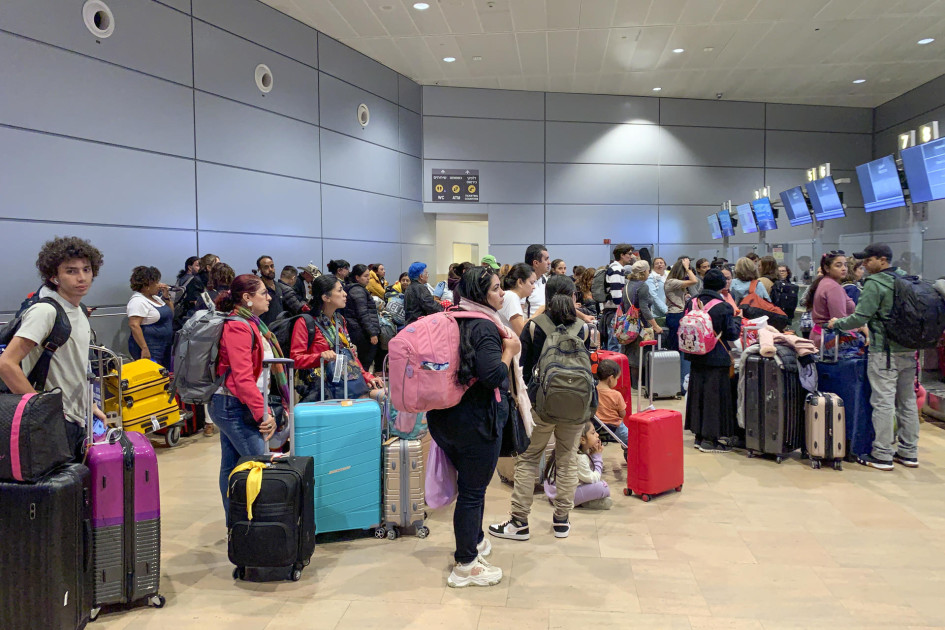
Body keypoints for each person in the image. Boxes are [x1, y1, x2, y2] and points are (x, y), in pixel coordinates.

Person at [426, 267, 520, 588]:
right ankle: (466, 565)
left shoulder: (452, 317)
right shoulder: (484, 326)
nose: (502, 293)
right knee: (472, 492)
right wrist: (509, 351)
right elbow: (493, 376)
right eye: (495, 288)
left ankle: (475, 540)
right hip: (475, 422)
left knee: (471, 488)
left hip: (445, 418)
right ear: (481, 295)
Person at [490, 275, 593, 543]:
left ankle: (519, 522)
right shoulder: (584, 328)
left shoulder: (535, 327)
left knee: (528, 459)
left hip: (541, 406)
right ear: (573, 297)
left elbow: (524, 369)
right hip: (576, 405)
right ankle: (562, 520)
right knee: (567, 458)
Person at [0, 236, 108, 459]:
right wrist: (39, 413)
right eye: (71, 271)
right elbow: (6, 364)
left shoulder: (79, 311)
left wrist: (90, 406)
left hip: (75, 419)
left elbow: (76, 367)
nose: (82, 277)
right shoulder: (45, 312)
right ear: (53, 277)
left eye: (86, 269)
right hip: (50, 423)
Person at [828, 244, 919, 471]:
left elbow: (860, 318)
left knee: (883, 403)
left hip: (884, 352)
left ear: (882, 260)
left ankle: (882, 454)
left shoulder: (875, 283)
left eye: (869, 260)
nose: (865, 264)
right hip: (908, 350)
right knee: (907, 402)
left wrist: (837, 323)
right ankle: (909, 452)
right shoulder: (905, 279)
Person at [208, 274, 282, 520]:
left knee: (231, 466)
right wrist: (264, 413)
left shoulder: (251, 323)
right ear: (247, 298)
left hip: (231, 403)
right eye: (263, 293)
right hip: (232, 405)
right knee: (260, 465)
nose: (269, 297)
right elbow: (242, 378)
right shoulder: (238, 326)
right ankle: (257, 524)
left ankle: (237, 525)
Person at [289, 274, 385, 401]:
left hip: (343, 384)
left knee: (385, 396)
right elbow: (295, 359)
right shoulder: (305, 322)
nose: (345, 294)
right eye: (339, 290)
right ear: (326, 297)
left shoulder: (339, 320)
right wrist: (320, 357)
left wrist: (367, 376)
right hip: (319, 390)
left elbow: (350, 354)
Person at [682, 269, 741, 453]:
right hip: (716, 356)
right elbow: (732, 334)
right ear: (722, 285)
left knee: (698, 394)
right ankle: (710, 439)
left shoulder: (692, 302)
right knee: (714, 397)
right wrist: (738, 320)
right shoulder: (723, 306)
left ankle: (699, 435)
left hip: (694, 354)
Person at [543, 422, 612, 510]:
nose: (597, 435)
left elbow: (586, 475)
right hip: (561, 496)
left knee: (598, 488)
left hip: (556, 492)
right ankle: (585, 502)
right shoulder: (579, 457)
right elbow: (593, 479)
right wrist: (597, 457)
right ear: (582, 440)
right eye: (593, 433)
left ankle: (586, 501)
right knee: (603, 487)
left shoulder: (570, 450)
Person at [805, 252, 858, 349]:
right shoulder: (833, 287)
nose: (844, 268)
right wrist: (859, 328)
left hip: (822, 336)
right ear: (827, 268)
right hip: (832, 339)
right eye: (838, 265)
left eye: (845, 265)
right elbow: (839, 320)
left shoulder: (825, 282)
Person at [623, 260, 663, 386]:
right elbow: (644, 309)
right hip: (640, 325)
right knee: (639, 355)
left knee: (630, 353)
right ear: (644, 271)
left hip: (628, 325)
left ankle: (631, 384)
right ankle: (638, 385)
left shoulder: (627, 284)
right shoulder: (642, 286)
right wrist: (655, 326)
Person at [126, 265, 174, 368]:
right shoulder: (138, 301)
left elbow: (171, 313)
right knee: (152, 372)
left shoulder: (156, 298)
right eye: (156, 282)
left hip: (164, 345)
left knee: (164, 373)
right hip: (150, 346)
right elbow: (134, 325)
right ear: (147, 285)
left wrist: (166, 297)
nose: (159, 285)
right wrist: (144, 348)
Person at [342, 264, 381, 373]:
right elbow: (363, 314)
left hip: (357, 330)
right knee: (364, 364)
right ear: (357, 277)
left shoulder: (354, 288)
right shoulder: (358, 290)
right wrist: (372, 333)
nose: (368, 278)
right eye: (365, 276)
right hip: (362, 332)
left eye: (369, 276)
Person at [601, 244, 635, 351]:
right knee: (615, 346)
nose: (631, 256)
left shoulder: (616, 268)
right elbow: (616, 295)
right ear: (622, 255)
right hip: (614, 312)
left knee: (613, 344)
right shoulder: (616, 269)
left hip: (613, 311)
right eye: (629, 254)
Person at [664, 257, 699, 351]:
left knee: (681, 346)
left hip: (678, 314)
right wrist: (687, 268)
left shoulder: (673, 282)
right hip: (675, 315)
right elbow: (694, 281)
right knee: (676, 347)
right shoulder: (671, 282)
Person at [594, 359, 628, 446]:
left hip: (596, 427)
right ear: (611, 378)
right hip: (615, 427)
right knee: (632, 439)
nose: (617, 381)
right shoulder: (616, 395)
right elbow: (623, 414)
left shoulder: (593, 391)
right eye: (617, 379)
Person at [499, 262, 536, 336]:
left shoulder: (510, 296)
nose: (534, 287)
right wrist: (538, 313)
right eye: (531, 283)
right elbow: (522, 332)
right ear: (520, 282)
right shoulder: (512, 297)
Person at [173, 256, 205, 328]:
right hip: (189, 312)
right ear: (190, 267)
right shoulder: (194, 280)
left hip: (178, 312)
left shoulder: (181, 278)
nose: (200, 268)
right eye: (197, 265)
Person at [255, 256, 287, 326]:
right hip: (265, 329)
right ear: (260, 269)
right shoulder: (257, 288)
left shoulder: (279, 287)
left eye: (272, 266)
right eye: (266, 267)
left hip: (280, 328)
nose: (270, 269)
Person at [523, 244, 551, 318]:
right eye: (546, 259)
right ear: (536, 263)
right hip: (531, 324)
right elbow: (518, 320)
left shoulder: (546, 279)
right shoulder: (523, 284)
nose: (549, 262)